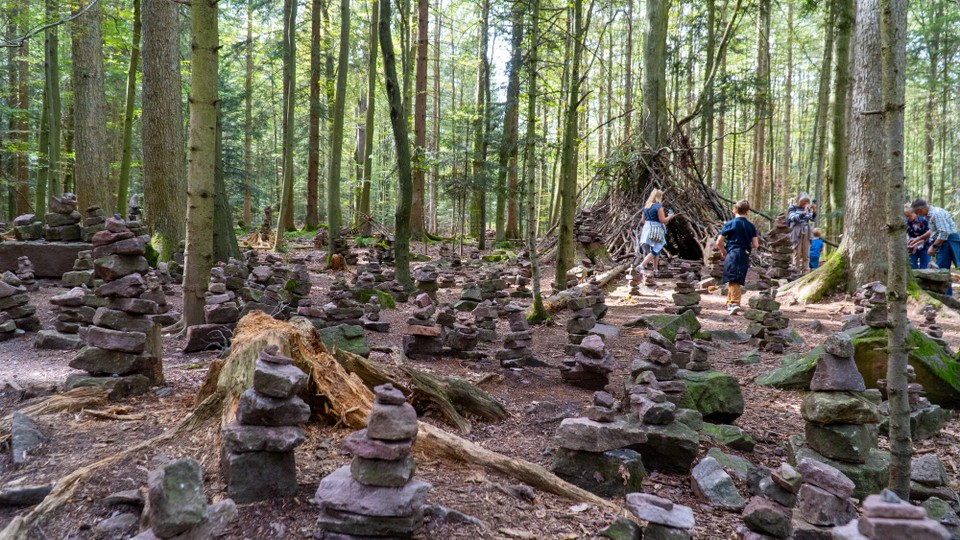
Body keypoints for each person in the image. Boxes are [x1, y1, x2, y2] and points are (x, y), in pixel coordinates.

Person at [716, 199, 759, 315]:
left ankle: (734, 304)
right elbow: (755, 244)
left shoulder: (730, 224)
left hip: (732, 252)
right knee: (735, 278)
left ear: (735, 210)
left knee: (733, 278)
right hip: (744, 253)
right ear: (747, 212)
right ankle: (730, 302)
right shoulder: (751, 226)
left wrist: (723, 251)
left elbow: (719, 242)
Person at [909, 199, 960, 295]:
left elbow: (944, 232)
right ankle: (946, 295)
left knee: (942, 270)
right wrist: (917, 240)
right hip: (942, 242)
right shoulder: (929, 216)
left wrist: (933, 246)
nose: (917, 215)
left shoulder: (937, 214)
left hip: (949, 241)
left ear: (921, 210)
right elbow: (933, 231)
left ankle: (946, 295)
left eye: (916, 212)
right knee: (941, 269)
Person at [638, 189, 680, 272]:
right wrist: (670, 217)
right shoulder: (658, 207)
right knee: (656, 248)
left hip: (646, 229)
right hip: (656, 230)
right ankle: (641, 265)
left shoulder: (646, 207)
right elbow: (663, 220)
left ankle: (655, 269)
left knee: (655, 248)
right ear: (659, 197)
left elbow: (642, 220)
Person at [787, 193, 817, 272]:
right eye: (803, 201)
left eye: (807, 202)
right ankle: (795, 270)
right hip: (797, 230)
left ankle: (805, 270)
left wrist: (814, 210)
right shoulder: (792, 207)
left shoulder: (807, 209)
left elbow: (812, 218)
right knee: (797, 252)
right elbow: (792, 218)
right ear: (799, 200)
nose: (805, 203)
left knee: (806, 252)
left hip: (806, 230)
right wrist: (804, 212)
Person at [904, 202, 931, 270]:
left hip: (925, 246)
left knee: (925, 267)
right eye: (905, 216)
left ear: (914, 213)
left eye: (909, 216)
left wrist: (916, 243)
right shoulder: (906, 221)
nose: (907, 218)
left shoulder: (923, 220)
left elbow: (928, 235)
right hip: (911, 247)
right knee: (912, 267)